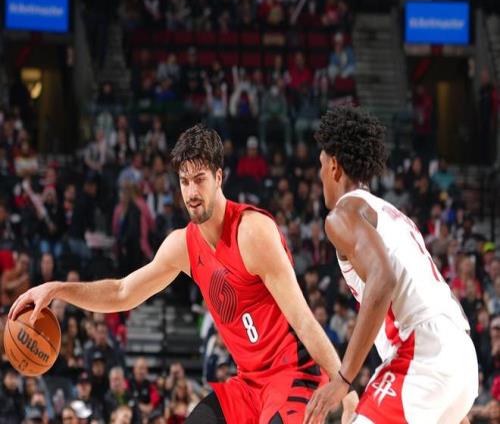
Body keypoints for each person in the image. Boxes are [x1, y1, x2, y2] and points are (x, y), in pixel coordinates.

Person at [10, 124, 357, 424]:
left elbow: (304, 319)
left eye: (200, 179)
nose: (191, 192)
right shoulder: (182, 245)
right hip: (248, 383)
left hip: (294, 375)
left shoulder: (252, 232)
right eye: (184, 181)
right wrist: (57, 289)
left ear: (219, 178)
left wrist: (345, 386)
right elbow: (121, 292)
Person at [304, 107, 478, 424]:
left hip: (422, 354)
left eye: (320, 165)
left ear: (334, 166)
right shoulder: (393, 215)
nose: (319, 175)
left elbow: (382, 280)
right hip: (460, 359)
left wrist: (343, 378)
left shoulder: (343, 214)